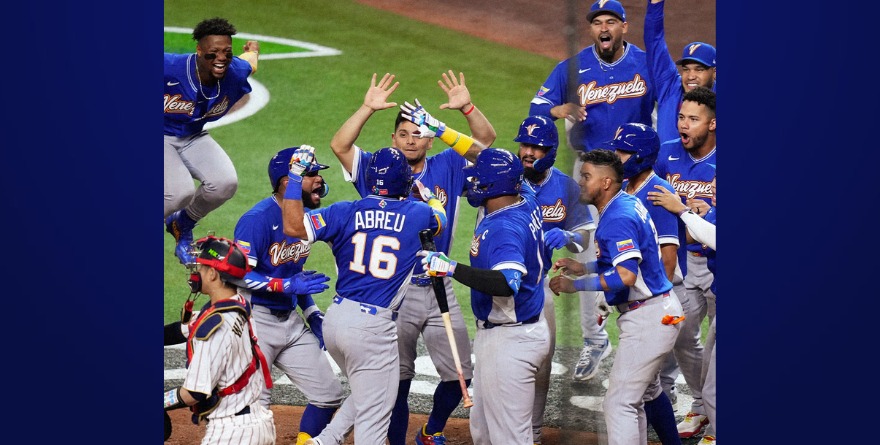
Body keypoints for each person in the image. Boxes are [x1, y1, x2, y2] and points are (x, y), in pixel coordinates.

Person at [329, 71, 495, 445]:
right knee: (397, 381)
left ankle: (430, 429)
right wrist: (366, 108)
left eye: (417, 133)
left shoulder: (447, 164)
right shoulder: (379, 169)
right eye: (403, 134)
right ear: (393, 139)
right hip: (394, 292)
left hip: (439, 285)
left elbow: (485, 145)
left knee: (460, 375)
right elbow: (340, 145)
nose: (409, 140)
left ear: (429, 138)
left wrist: (467, 108)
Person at [282, 146, 447, 445]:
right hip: (372, 330)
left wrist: (295, 176)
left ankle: (323, 441)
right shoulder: (419, 214)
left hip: (336, 321)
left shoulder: (342, 211)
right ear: (405, 182)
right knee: (375, 415)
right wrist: (429, 197)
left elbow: (293, 226)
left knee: (367, 392)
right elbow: (441, 219)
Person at [529, 0, 655, 376]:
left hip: (636, 169)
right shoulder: (574, 66)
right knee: (589, 247)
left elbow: (671, 106)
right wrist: (559, 110)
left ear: (624, 27)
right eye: (597, 22)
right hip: (588, 168)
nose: (604, 28)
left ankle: (649, 328)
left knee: (643, 246)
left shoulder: (646, 63)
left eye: (611, 21)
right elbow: (537, 109)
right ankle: (595, 340)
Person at [548, 149, 683, 445]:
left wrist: (575, 285)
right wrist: (583, 267)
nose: (580, 182)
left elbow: (625, 276)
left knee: (619, 403)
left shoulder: (617, 217)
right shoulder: (624, 203)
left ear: (606, 182)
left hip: (649, 317)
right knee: (644, 393)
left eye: (586, 176)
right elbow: (623, 260)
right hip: (658, 310)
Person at [419, 148, 550, 445]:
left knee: (509, 437)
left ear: (492, 185)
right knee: (484, 430)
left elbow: (506, 282)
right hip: (514, 332)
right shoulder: (525, 196)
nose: (472, 183)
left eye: (477, 179)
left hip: (511, 340)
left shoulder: (503, 227)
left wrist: (451, 268)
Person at [233, 146, 344, 445]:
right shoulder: (257, 219)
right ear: (287, 182)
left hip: (290, 323)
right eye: (312, 174)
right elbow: (236, 274)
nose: (319, 180)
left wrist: (312, 313)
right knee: (255, 407)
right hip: (255, 323)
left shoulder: (305, 219)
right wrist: (284, 286)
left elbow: (296, 275)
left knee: (328, 395)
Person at [511, 115, 596, 444]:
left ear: (551, 151)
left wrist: (569, 237)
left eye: (537, 147)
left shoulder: (565, 186)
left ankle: (532, 431)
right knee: (499, 361)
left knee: (542, 361)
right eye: (525, 145)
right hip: (499, 283)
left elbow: (584, 237)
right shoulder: (506, 176)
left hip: (540, 284)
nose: (528, 152)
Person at [605, 123, 683, 445]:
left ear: (640, 155)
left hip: (656, 301)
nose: (616, 156)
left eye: (622, 151)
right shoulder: (625, 190)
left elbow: (668, 260)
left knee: (625, 397)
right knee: (648, 388)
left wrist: (639, 298)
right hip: (643, 299)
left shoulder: (657, 192)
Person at [165, 17, 260, 265]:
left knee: (224, 183)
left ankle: (181, 225)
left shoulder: (234, 72)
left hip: (193, 135)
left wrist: (253, 51)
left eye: (226, 52)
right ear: (199, 50)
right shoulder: (170, 67)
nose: (220, 58)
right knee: (179, 193)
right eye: (212, 53)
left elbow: (249, 63)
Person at [163, 236, 276, 445]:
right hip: (255, 423)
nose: (196, 272)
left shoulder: (216, 327)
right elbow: (184, 329)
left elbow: (195, 392)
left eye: (201, 267)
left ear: (213, 274)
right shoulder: (237, 304)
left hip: (232, 433)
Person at [652, 86, 716, 440]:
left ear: (712, 124)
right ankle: (701, 405)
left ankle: (715, 410)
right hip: (685, 264)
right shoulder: (667, 154)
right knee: (681, 333)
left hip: (718, 264)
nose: (683, 125)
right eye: (681, 117)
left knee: (718, 350)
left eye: (693, 119)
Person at [644, 0, 717, 144]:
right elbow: (654, 41)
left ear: (714, 72)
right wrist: (655, 5)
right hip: (666, 159)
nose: (691, 76)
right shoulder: (669, 89)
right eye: (686, 69)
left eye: (699, 69)